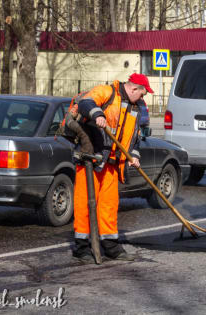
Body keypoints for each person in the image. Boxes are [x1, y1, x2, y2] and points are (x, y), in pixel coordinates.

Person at [70, 73, 154, 262]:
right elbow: (85, 103)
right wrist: (97, 114)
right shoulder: (107, 92)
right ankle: (82, 247)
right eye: (142, 93)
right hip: (90, 158)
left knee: (109, 205)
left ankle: (111, 245)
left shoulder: (135, 108)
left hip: (112, 162)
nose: (143, 98)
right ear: (134, 88)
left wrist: (133, 155)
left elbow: (135, 138)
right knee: (84, 203)